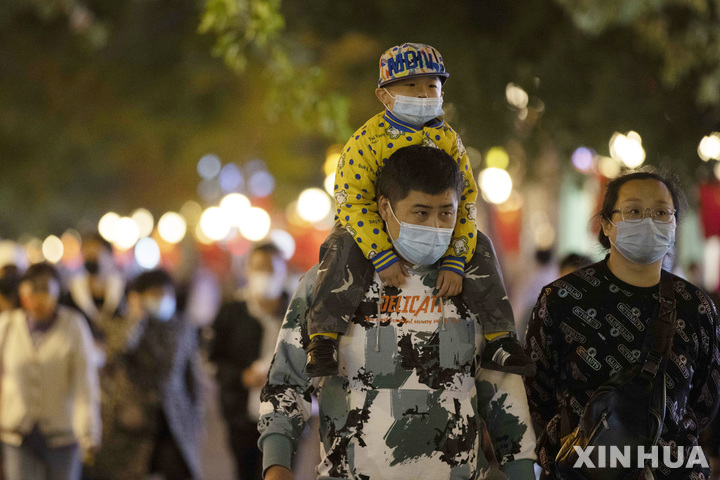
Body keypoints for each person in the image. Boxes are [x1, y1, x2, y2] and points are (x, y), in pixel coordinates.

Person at [259, 145, 537, 480]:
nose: (435, 226)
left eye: (446, 213)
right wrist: (276, 465)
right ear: (384, 208)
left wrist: (522, 469)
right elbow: (286, 382)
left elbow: (503, 387)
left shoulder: (474, 284)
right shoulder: (331, 283)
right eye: (421, 213)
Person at [305, 42, 532, 378]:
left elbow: (466, 199)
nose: (424, 93)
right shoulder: (366, 140)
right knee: (340, 245)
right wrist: (381, 253)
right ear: (384, 95)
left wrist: (456, 258)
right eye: (411, 85)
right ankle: (322, 339)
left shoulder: (450, 141)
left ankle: (500, 338)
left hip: (442, 233)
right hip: (372, 233)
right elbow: (351, 201)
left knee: (481, 245)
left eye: (431, 85)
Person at [523, 170, 720, 479]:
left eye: (660, 212)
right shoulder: (563, 299)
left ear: (674, 226)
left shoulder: (696, 307)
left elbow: (705, 400)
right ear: (606, 224)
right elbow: (536, 392)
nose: (648, 220)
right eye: (634, 211)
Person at [83, 269, 203, 480]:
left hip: (172, 419)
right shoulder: (122, 325)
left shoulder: (182, 327)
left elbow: (191, 375)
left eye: (166, 294)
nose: (162, 299)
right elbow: (114, 354)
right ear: (138, 297)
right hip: (130, 423)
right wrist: (135, 319)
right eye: (155, 294)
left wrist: (195, 416)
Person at [0, 262, 101, 480]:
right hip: (17, 434)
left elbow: (86, 381)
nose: (40, 297)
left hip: (62, 435)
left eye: (46, 289)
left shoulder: (73, 325)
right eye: (34, 289)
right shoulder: (8, 325)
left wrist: (89, 431)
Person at [208, 242, 290, 480]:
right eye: (258, 268)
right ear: (247, 271)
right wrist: (241, 376)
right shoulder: (231, 313)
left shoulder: (298, 313)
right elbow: (214, 361)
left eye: (270, 268)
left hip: (286, 417)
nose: (264, 274)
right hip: (241, 418)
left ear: (283, 271)